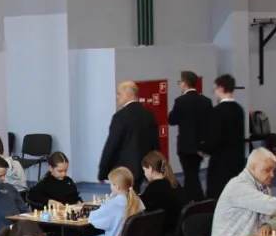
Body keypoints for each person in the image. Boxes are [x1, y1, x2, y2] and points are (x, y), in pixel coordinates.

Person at [73, 167, 141, 236]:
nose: (110, 186)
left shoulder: (113, 204)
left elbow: (94, 219)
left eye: (111, 184)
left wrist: (109, 201)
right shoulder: (137, 201)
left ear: (116, 186)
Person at [97, 81, 159, 186]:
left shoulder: (120, 117)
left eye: (119, 93)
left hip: (125, 171)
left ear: (129, 94)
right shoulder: (149, 115)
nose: (117, 97)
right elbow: (155, 144)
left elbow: (112, 145)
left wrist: (102, 172)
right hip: (145, 167)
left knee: (125, 195)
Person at [167, 70, 213, 199]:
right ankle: (187, 199)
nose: (180, 85)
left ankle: (199, 200)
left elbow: (172, 120)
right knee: (192, 173)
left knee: (190, 175)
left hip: (185, 146)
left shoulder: (180, 101)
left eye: (180, 82)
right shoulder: (206, 101)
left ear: (185, 83)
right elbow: (210, 122)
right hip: (200, 145)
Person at [205, 74, 246, 202]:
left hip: (220, 164)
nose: (215, 92)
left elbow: (214, 140)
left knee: (218, 198)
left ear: (221, 88)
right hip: (237, 161)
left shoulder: (217, 111)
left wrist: (203, 148)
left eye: (215, 89)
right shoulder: (239, 110)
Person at [138, 150, 184, 236]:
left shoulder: (154, 188)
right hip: (180, 234)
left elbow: (140, 208)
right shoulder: (174, 183)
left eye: (144, 170)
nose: (145, 174)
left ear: (150, 169)